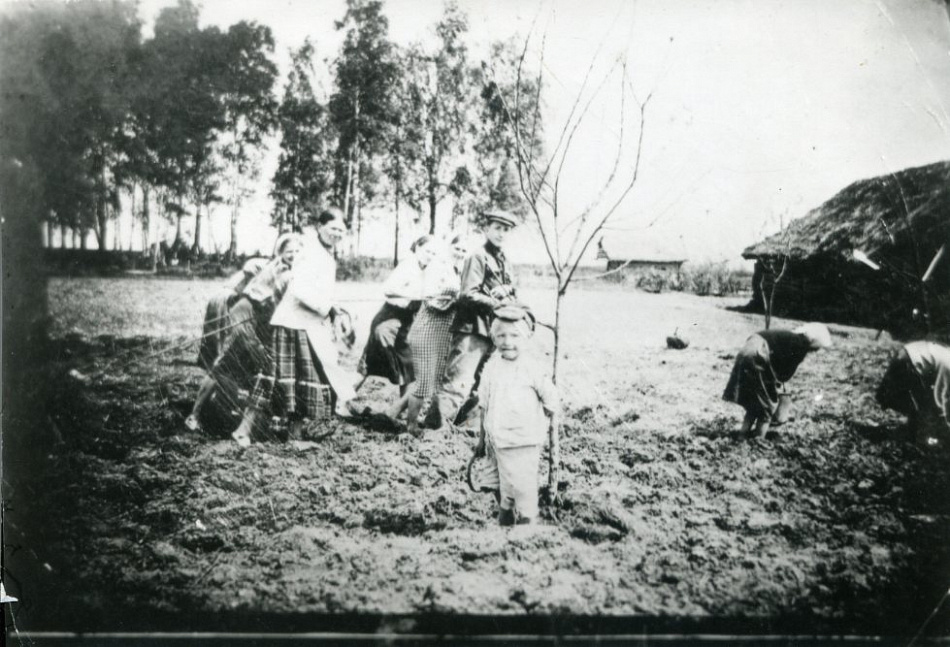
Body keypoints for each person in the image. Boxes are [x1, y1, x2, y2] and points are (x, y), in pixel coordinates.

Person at [233, 208, 359, 445]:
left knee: (303, 381)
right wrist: (328, 308)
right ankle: (243, 431)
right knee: (274, 379)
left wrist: (337, 308)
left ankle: (295, 436)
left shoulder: (326, 255)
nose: (337, 234)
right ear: (319, 227)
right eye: (333, 228)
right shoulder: (309, 252)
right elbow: (300, 290)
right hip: (292, 324)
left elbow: (324, 292)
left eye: (341, 231)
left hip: (308, 326)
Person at [186, 234, 301, 432]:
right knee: (225, 363)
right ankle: (194, 415)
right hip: (245, 315)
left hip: (258, 320)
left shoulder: (286, 270)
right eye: (290, 251)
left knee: (262, 365)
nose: (294, 255)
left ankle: (260, 414)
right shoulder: (278, 270)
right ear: (280, 253)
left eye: (298, 252)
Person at [433, 210, 519, 430]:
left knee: (482, 384)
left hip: (492, 330)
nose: (501, 234)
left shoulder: (505, 260)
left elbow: (511, 288)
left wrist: (507, 291)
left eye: (506, 230)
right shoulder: (478, 256)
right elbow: (467, 294)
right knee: (457, 382)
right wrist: (496, 303)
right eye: (497, 228)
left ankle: (464, 428)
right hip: (472, 329)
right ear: (486, 229)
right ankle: (435, 433)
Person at [472, 304, 556, 526]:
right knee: (506, 486)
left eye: (514, 336)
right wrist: (481, 441)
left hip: (525, 440)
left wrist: (541, 423)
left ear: (526, 338)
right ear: (493, 337)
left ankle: (528, 527)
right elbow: (484, 404)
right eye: (501, 336)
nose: (507, 342)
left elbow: (551, 400)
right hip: (499, 440)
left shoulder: (532, 367)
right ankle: (506, 522)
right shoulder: (491, 367)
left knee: (525, 486)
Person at [356, 235, 436, 407]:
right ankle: (340, 400)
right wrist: (416, 296)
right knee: (369, 362)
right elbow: (388, 289)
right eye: (428, 251)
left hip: (408, 322)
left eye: (434, 253)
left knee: (409, 365)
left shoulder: (429, 269)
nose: (430, 255)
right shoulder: (407, 266)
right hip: (389, 318)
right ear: (418, 248)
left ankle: (398, 410)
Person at [404, 234, 468, 435]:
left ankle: (423, 421)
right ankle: (411, 426)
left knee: (433, 382)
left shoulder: (459, 272)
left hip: (442, 333)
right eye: (457, 249)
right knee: (423, 382)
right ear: (450, 247)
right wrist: (456, 301)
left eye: (464, 251)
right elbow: (430, 297)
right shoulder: (438, 266)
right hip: (427, 328)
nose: (460, 253)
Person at [723, 322, 832, 438]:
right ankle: (758, 438)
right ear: (814, 341)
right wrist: (779, 390)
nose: (817, 350)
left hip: (748, 348)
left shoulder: (789, 336)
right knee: (767, 406)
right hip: (759, 354)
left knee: (756, 403)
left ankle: (742, 434)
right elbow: (785, 373)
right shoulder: (801, 345)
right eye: (818, 347)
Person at [198, 257, 268, 371]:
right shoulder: (262, 267)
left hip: (226, 296)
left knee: (219, 329)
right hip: (228, 297)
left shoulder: (262, 265)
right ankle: (218, 362)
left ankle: (213, 360)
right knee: (224, 329)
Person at [876, 340, 950, 444]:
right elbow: (943, 394)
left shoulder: (947, 353)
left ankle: (912, 431)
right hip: (908, 362)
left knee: (916, 403)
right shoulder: (949, 364)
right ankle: (916, 437)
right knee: (922, 406)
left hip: (906, 353)